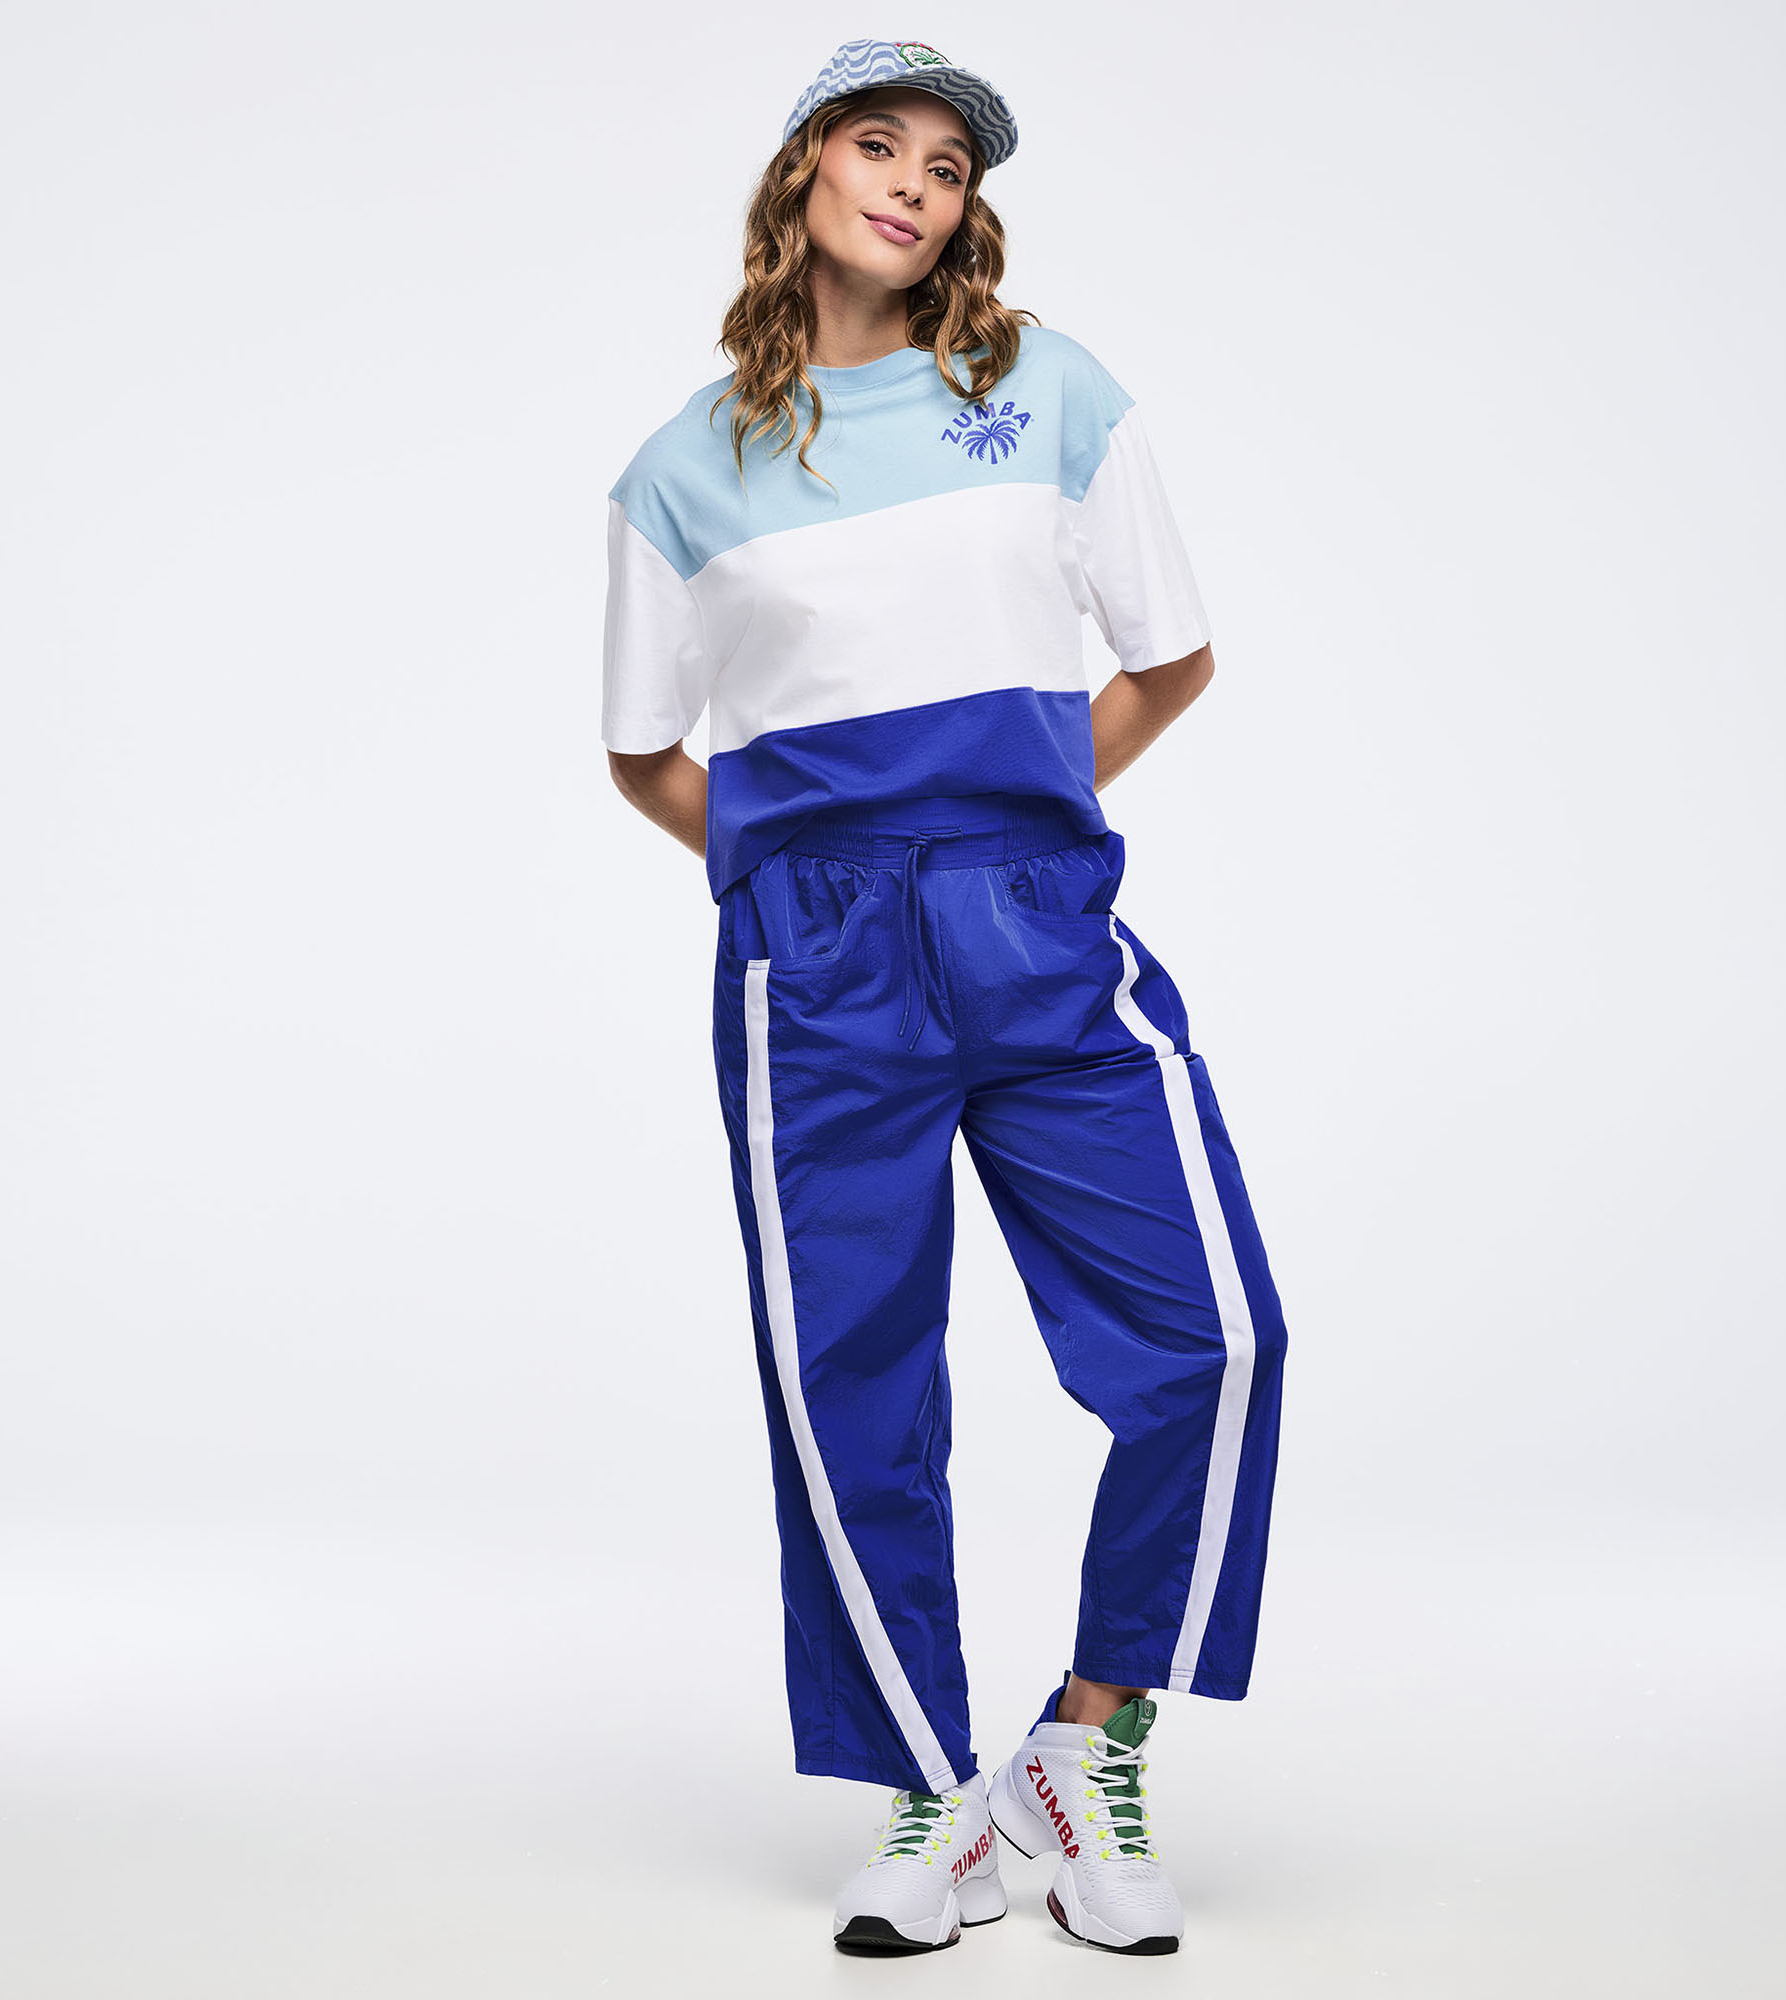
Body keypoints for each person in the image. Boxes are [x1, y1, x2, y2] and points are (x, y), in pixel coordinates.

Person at [601, 38, 1290, 1959]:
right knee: (854, 1388)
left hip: (1036, 923)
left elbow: (1171, 657)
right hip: (817, 962)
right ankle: (930, 1794)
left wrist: (1020, 827)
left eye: (948, 165)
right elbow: (647, 754)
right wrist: (795, 874)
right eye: (876, 142)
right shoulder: (681, 470)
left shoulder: (1047, 393)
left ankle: (1085, 1742)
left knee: (1216, 1342)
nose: (914, 182)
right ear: (805, 171)